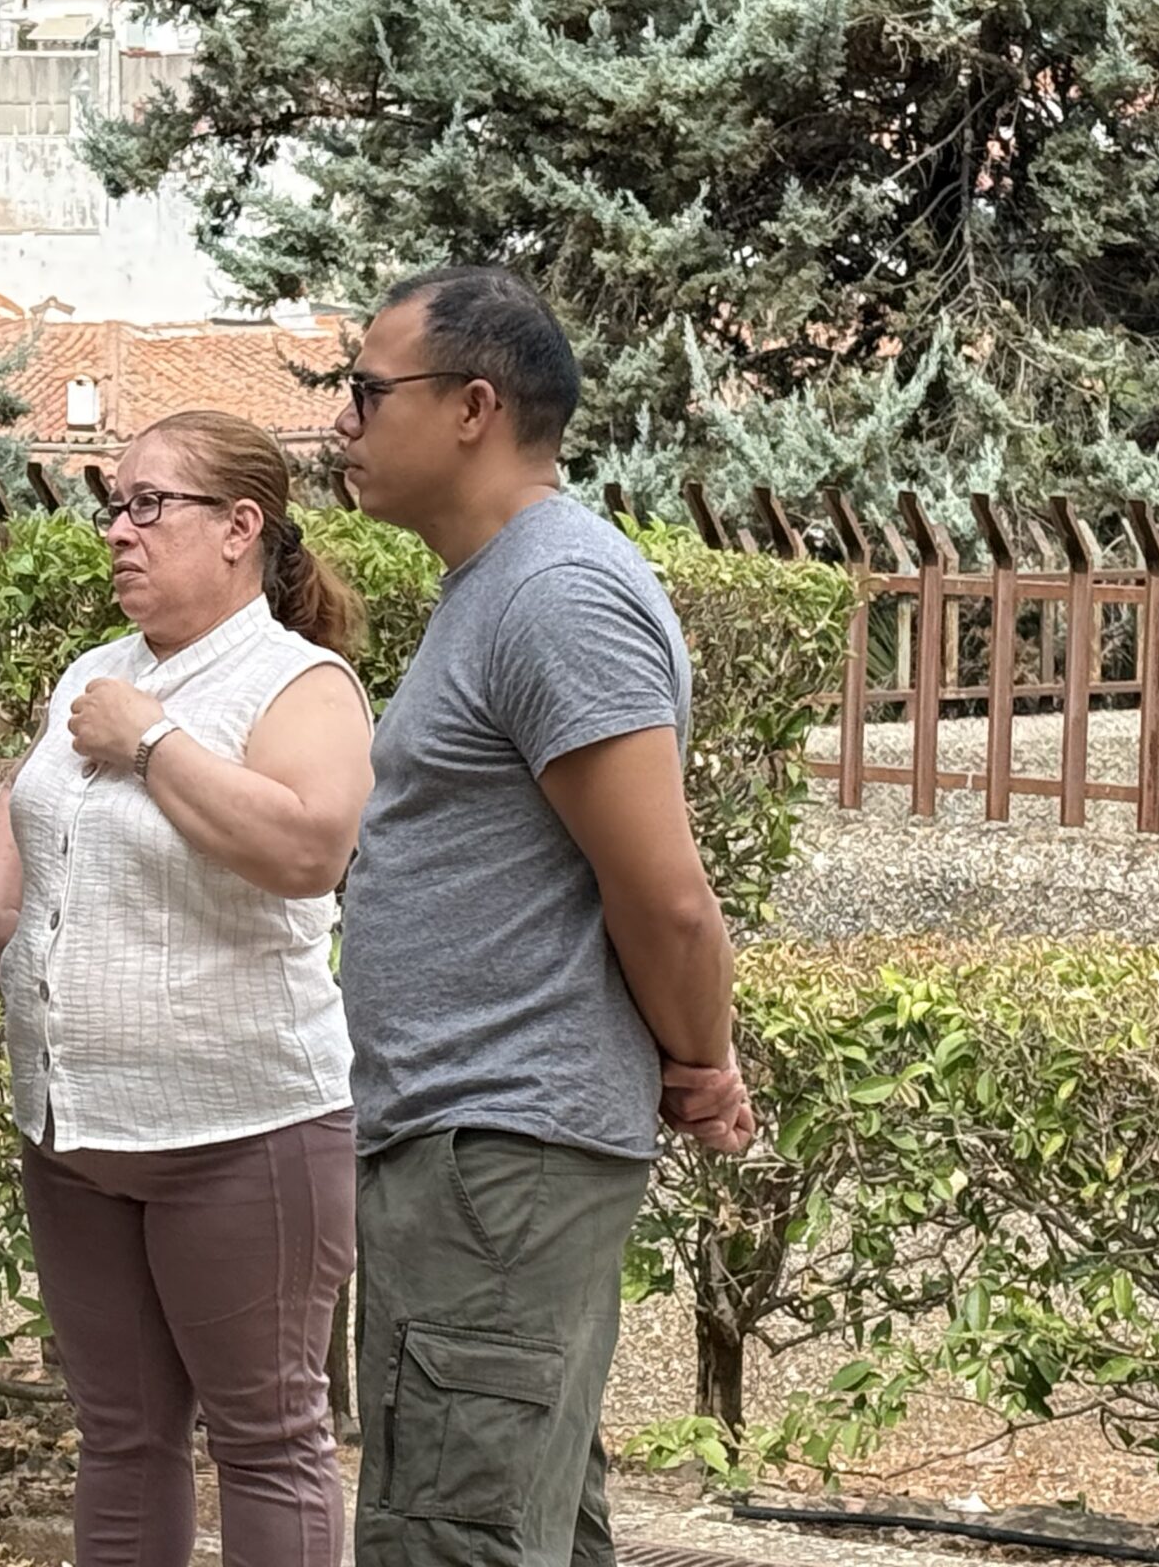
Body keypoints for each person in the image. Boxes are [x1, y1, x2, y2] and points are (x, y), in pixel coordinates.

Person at [332, 265, 755, 1567]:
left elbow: (665, 898)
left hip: (495, 1153)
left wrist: (702, 1059)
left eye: (364, 389)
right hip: (472, 1150)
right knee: (524, 1530)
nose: (342, 420)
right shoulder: (499, 585)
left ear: (472, 407)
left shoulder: (555, 593)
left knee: (449, 1536)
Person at [0, 410, 374, 1567]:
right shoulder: (94, 673)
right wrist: (8, 932)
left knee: (267, 1440)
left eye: (148, 505)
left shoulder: (299, 684)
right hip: (73, 1127)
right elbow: (27, 818)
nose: (117, 530)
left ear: (240, 527)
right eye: (113, 503)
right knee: (120, 1435)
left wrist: (152, 744)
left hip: (240, 1132)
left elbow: (308, 850)